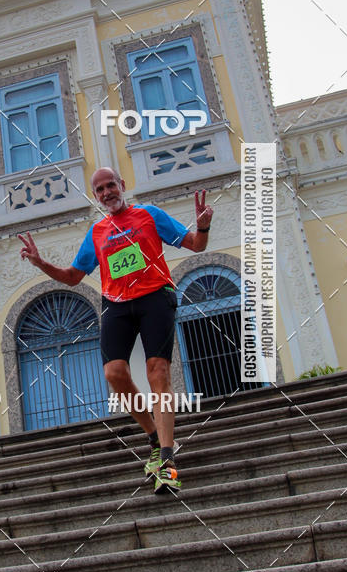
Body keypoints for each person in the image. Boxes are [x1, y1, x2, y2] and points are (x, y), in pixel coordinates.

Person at [19, 167, 214, 494]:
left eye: (111, 185)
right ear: (96, 196)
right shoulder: (97, 232)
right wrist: (41, 263)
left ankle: (167, 459)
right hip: (117, 304)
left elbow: (195, 244)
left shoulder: (149, 215)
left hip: (155, 297)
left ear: (123, 186)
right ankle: (153, 436)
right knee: (114, 373)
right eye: (100, 189)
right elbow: (72, 277)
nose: (107, 192)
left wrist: (204, 225)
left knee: (158, 371)